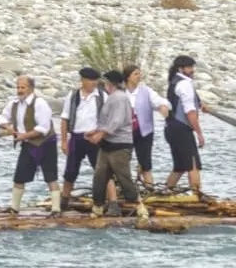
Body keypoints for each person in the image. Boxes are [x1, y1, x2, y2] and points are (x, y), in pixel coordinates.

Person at [0, 75, 61, 217]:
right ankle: (14, 208)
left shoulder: (40, 104)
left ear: (31, 88)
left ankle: (56, 209)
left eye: (23, 87)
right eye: (18, 87)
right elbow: (2, 117)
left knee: (50, 176)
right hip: (27, 144)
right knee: (19, 176)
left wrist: (22, 136)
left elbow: (43, 128)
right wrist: (7, 126)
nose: (19, 90)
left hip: (45, 144)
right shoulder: (13, 103)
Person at [59, 67, 116, 209]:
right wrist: (64, 141)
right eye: (90, 80)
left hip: (95, 139)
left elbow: (111, 119)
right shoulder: (73, 96)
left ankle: (113, 202)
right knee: (70, 171)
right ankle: (65, 199)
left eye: (95, 80)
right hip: (77, 137)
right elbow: (65, 119)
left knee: (103, 171)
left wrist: (100, 133)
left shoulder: (102, 96)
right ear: (83, 80)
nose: (93, 83)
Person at [86, 70, 141, 217]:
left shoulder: (119, 98)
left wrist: (100, 134)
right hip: (108, 144)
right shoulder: (113, 98)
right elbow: (108, 121)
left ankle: (139, 206)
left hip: (119, 145)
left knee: (123, 176)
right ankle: (97, 206)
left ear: (111, 84)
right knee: (100, 176)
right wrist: (96, 131)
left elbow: (116, 121)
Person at [123, 64, 171, 187]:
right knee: (122, 162)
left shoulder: (146, 91)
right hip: (125, 133)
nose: (139, 76)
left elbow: (158, 101)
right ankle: (124, 188)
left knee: (145, 163)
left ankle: (149, 188)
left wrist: (163, 106)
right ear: (128, 77)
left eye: (139, 74)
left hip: (144, 132)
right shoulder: (121, 92)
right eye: (136, 74)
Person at [164, 55, 206, 194]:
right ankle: (197, 197)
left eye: (192, 67)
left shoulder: (175, 82)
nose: (192, 70)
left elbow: (192, 103)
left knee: (180, 166)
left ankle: (165, 193)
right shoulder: (184, 84)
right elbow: (190, 112)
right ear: (181, 69)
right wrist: (199, 133)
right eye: (189, 67)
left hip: (171, 128)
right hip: (181, 128)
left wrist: (201, 104)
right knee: (193, 164)